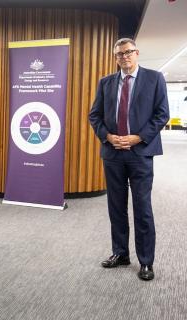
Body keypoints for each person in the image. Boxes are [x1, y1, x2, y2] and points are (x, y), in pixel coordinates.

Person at [89, 38, 169, 281]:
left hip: (140, 153)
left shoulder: (155, 79)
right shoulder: (106, 83)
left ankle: (146, 261)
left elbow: (162, 114)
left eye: (128, 52)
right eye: (119, 54)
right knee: (116, 207)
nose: (124, 57)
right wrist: (108, 137)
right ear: (115, 58)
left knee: (142, 207)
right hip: (113, 154)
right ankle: (120, 253)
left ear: (137, 53)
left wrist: (137, 138)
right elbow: (95, 116)